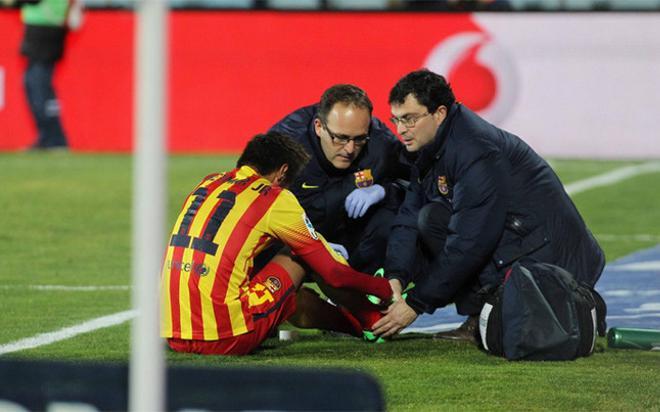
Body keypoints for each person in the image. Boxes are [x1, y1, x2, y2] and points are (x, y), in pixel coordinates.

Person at [372, 69, 605, 342]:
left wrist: (415, 304)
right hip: (523, 240)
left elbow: (471, 240)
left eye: (410, 119)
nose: (401, 130)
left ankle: (491, 315)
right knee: (431, 218)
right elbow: (409, 215)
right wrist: (396, 277)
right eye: (396, 119)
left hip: (555, 261)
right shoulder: (430, 143)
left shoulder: (475, 149)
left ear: (439, 113)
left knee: (449, 226)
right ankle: (482, 316)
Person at [162, 131, 393, 356]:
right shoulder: (274, 197)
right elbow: (333, 273)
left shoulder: (208, 183)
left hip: (174, 333)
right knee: (299, 255)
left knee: (275, 283)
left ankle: (359, 324)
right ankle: (370, 321)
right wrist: (383, 288)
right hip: (226, 337)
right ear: (282, 173)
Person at [269, 84, 408, 274]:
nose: (350, 149)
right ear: (319, 127)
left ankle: (366, 294)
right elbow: (249, 209)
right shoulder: (282, 150)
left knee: (392, 219)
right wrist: (311, 246)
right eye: (340, 138)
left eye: (359, 139)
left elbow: (420, 187)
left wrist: (385, 191)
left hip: (349, 241)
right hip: (295, 243)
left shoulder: (381, 145)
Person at [5, 0, 81, 150]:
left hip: (45, 29)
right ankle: (49, 137)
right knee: (38, 84)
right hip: (47, 28)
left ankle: (54, 139)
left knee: (38, 85)